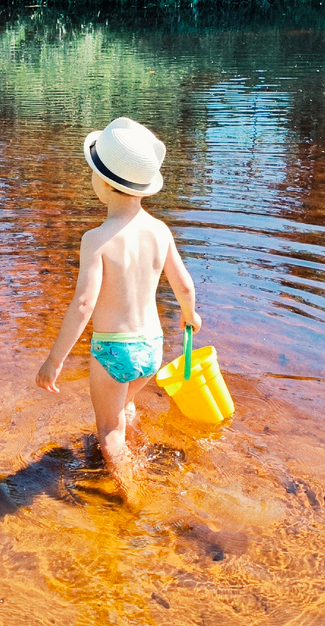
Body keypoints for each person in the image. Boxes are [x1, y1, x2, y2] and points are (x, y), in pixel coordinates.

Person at [35, 117, 201, 503]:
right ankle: (139, 448)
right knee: (125, 403)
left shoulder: (96, 239)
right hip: (152, 349)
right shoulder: (161, 230)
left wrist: (54, 360)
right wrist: (190, 316)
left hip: (114, 350)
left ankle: (132, 496)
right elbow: (185, 286)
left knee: (108, 431)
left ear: (104, 184)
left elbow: (83, 303)